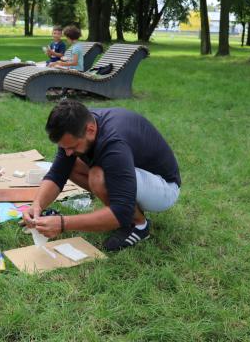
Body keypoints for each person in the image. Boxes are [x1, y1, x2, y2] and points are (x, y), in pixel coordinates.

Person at [23, 100, 181, 251]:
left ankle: (138, 226)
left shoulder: (113, 143)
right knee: (71, 164)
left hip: (164, 188)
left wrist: (63, 224)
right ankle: (124, 217)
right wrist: (37, 205)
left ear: (91, 130)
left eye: (72, 146)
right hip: (137, 172)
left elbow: (122, 210)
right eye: (64, 147)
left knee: (98, 176)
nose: (68, 152)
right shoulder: (78, 125)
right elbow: (58, 173)